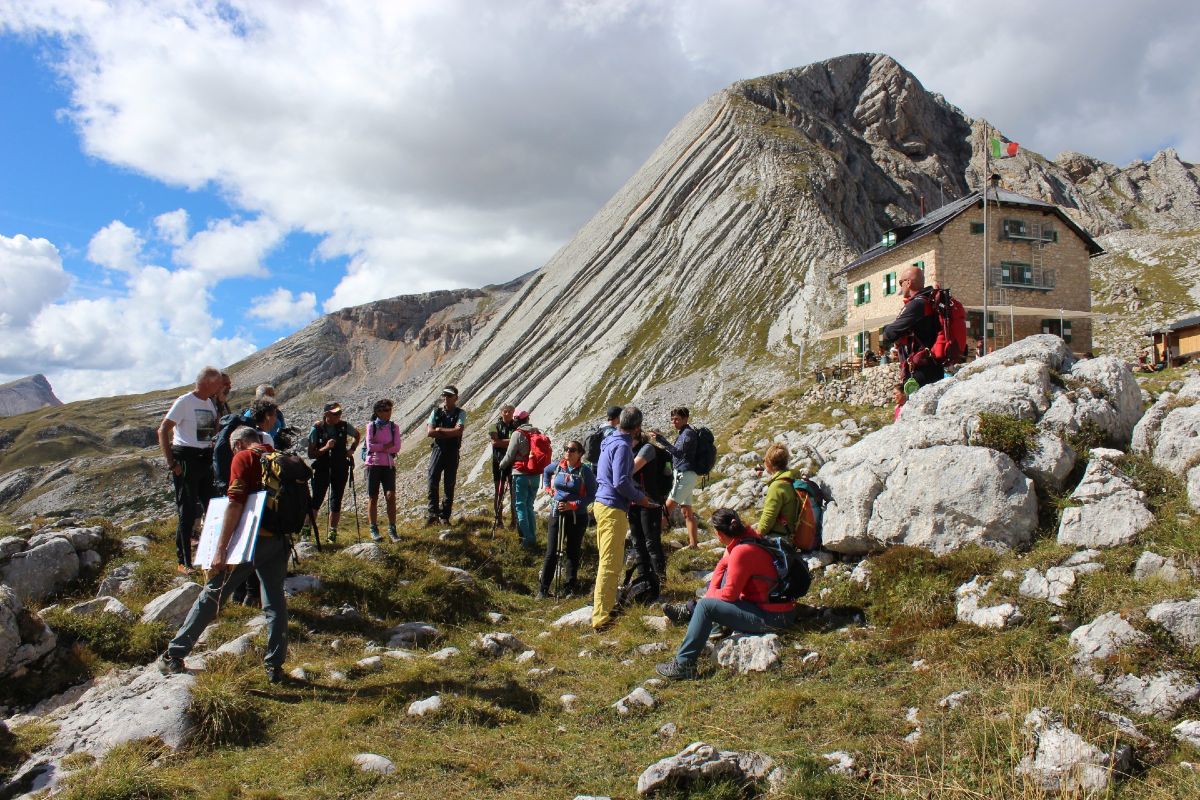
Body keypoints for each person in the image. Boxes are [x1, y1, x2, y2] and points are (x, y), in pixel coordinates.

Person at [158, 427, 292, 684]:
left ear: (238, 443)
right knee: (275, 601)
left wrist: (220, 549)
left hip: (251, 541)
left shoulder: (244, 457)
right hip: (280, 540)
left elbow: (235, 503)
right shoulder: (279, 458)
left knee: (213, 593)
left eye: (232, 449)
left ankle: (174, 654)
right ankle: (275, 667)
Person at [655, 508, 798, 680]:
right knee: (717, 590)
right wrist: (722, 567)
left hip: (772, 618)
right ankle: (711, 626)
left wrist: (710, 595)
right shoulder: (751, 539)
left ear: (719, 534)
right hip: (780, 611)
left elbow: (729, 595)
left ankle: (684, 665)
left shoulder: (741, 551)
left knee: (705, 606)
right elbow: (726, 569)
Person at [592, 406, 655, 631]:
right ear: (638, 426)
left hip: (601, 504)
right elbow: (620, 482)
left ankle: (603, 606)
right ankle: (602, 618)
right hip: (613, 508)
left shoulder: (610, 440)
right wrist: (641, 499)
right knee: (611, 563)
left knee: (607, 560)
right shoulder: (623, 446)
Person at [158, 366, 222, 574]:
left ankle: (209, 555)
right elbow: (163, 429)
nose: (220, 387)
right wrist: (171, 463)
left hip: (205, 459)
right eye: (217, 383)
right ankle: (183, 562)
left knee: (212, 507)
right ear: (207, 382)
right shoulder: (184, 402)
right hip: (186, 459)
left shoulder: (210, 403)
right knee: (187, 511)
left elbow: (211, 432)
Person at [537, 440, 597, 598]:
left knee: (572, 551)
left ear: (580, 454)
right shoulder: (558, 466)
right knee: (551, 551)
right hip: (556, 512)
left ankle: (569, 588)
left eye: (572, 450)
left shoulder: (585, 471)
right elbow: (546, 471)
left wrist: (573, 505)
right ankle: (543, 589)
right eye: (566, 449)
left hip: (577, 516)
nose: (568, 452)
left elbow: (592, 495)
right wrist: (548, 488)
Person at [881, 265, 945, 389]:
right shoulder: (929, 301)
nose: (901, 286)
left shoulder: (916, 304)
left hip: (919, 370)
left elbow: (889, 334)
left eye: (901, 282)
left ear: (909, 282)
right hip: (933, 366)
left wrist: (898, 334)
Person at [308, 402, 360, 543]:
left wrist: (352, 449)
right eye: (335, 413)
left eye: (339, 412)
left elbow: (357, 435)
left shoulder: (344, 425)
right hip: (322, 468)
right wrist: (326, 448)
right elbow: (311, 454)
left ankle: (332, 532)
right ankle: (307, 529)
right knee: (316, 500)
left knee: (336, 501)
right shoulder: (317, 429)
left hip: (340, 468)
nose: (339, 415)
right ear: (326, 414)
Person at [652, 407, 700, 549]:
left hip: (684, 476)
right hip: (684, 475)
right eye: (672, 419)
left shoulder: (688, 434)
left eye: (677, 419)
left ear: (686, 419)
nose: (674, 422)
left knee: (666, 509)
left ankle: (652, 541)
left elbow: (679, 453)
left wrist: (661, 440)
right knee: (687, 512)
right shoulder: (684, 433)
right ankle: (693, 545)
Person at [629, 429, 669, 597]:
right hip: (633, 502)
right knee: (638, 542)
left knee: (651, 541)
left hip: (650, 502)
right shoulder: (629, 451)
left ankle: (660, 579)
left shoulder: (647, 449)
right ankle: (643, 579)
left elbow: (631, 469)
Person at [498, 408, 545, 549]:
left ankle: (526, 539)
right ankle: (533, 536)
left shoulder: (517, 434)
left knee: (520, 506)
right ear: (527, 419)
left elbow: (510, 455)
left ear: (516, 421)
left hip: (520, 474)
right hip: (535, 475)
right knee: (529, 506)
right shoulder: (536, 432)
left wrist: (501, 465)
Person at [426, 386, 466, 525]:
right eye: (444, 395)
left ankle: (444, 516)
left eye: (449, 396)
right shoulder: (436, 412)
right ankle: (433, 515)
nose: (446, 398)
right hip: (437, 449)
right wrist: (450, 432)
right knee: (432, 481)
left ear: (456, 398)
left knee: (449, 484)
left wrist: (439, 430)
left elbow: (458, 432)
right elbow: (430, 432)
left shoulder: (461, 413)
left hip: (452, 451)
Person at [363, 398, 401, 543]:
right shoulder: (371, 426)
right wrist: (387, 445)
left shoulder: (394, 427)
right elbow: (370, 447)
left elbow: (397, 447)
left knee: (390, 496)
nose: (389, 413)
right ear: (378, 412)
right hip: (373, 464)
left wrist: (379, 446)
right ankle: (373, 528)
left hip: (388, 465)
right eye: (385, 410)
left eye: (390, 409)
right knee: (373, 496)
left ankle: (392, 528)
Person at [756, 443, 799, 540]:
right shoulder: (794, 478)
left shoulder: (777, 486)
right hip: (795, 535)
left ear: (767, 463)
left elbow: (768, 518)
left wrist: (755, 536)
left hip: (780, 540)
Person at [488, 404, 519, 529]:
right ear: (501, 413)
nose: (507, 413)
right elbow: (495, 443)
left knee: (513, 492)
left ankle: (514, 522)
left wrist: (503, 442)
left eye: (510, 411)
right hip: (498, 463)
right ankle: (499, 521)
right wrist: (512, 442)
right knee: (499, 491)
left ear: (513, 413)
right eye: (505, 411)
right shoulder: (494, 426)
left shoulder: (516, 426)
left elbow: (514, 442)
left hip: (513, 463)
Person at [584, 405, 624, 471]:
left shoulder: (601, 426)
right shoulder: (612, 432)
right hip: (603, 466)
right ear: (618, 417)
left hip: (594, 464)